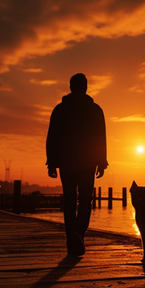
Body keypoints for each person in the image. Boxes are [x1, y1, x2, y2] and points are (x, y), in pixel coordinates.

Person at [46, 73, 108, 256]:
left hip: (66, 162)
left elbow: (52, 138)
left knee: (70, 201)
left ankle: (71, 239)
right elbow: (100, 139)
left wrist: (51, 162)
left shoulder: (60, 109)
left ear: (71, 87)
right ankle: (78, 234)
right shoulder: (95, 110)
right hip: (87, 162)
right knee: (85, 201)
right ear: (86, 88)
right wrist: (102, 162)